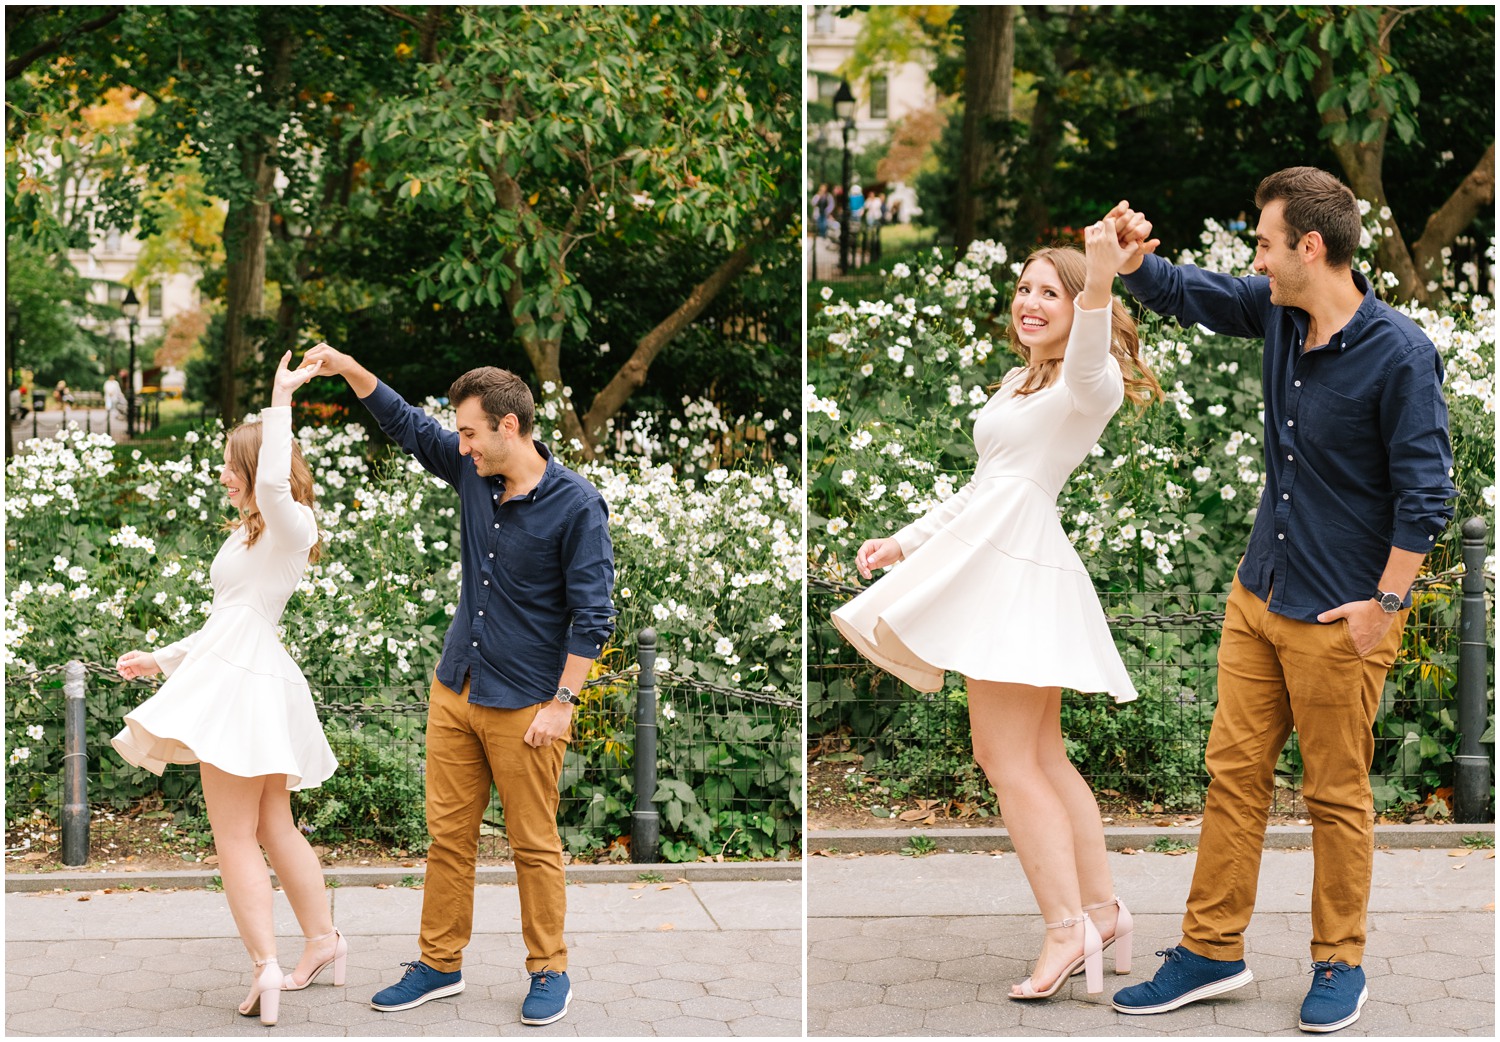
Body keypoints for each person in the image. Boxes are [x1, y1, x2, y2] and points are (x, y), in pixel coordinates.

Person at [1107, 168, 1455, 1034]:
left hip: (1341, 615)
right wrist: (1132, 263)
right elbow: (1194, 294)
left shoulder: (1400, 353)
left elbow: (1426, 496)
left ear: (1310, 245)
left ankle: (1341, 963)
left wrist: (1386, 605)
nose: (1254, 260)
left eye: (1264, 244)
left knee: (1336, 796)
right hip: (1259, 594)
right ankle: (1211, 951)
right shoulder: (1277, 311)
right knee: (1234, 779)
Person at [832, 219, 1163, 1000]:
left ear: (1081, 304)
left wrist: (1105, 276)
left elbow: (1084, 358)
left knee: (1004, 758)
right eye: (1022, 288)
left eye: (1050, 291)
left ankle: (1065, 928)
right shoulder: (1021, 382)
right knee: (1042, 758)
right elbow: (985, 488)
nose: (1029, 302)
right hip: (999, 558)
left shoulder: (1093, 380)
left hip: (1018, 571)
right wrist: (904, 542)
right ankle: (1102, 911)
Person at [302, 343, 617, 1027]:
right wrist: (351, 369)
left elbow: (594, 617)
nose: (460, 444)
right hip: (457, 690)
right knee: (448, 839)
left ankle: (549, 969)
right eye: (460, 433)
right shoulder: (474, 473)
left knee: (533, 844)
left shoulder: (577, 506)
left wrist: (563, 705)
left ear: (510, 427)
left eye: (470, 431)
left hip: (528, 705)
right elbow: (407, 425)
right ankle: (440, 964)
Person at [112, 351, 342, 1028]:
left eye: (229, 465)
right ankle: (325, 942)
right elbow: (226, 621)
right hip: (243, 673)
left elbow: (275, 486)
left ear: (258, 463)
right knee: (272, 823)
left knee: (234, 835)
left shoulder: (292, 523)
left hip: (251, 685)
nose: (222, 477)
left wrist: (280, 398)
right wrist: (162, 657)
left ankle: (265, 966)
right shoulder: (252, 537)